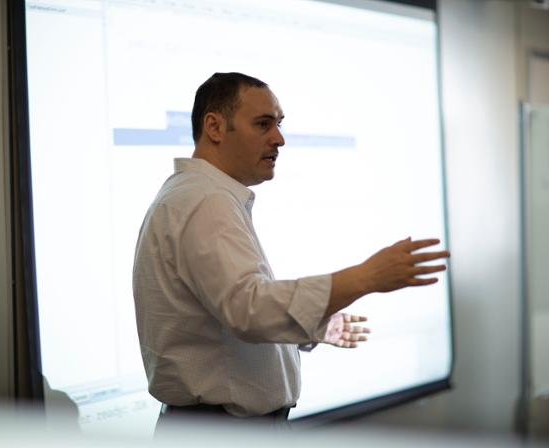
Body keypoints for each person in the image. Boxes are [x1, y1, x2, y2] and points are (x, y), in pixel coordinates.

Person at [132, 72, 450, 432]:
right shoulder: (204, 199)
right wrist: (367, 277)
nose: (279, 139)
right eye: (263, 124)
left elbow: (223, 320)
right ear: (215, 127)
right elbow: (247, 309)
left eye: (279, 124)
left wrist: (309, 327)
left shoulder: (199, 195)